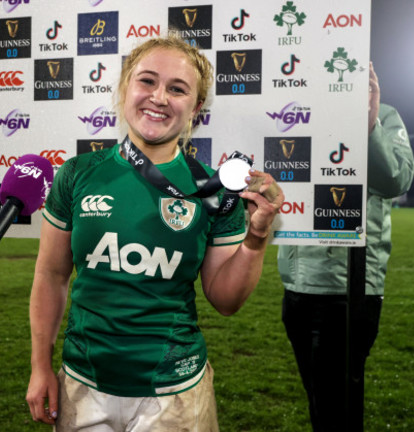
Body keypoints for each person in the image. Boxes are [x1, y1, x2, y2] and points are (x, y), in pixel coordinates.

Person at [26, 36, 284, 431]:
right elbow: (51, 275)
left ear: (196, 108)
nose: (159, 97)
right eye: (147, 81)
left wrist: (256, 237)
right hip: (82, 384)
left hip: (175, 392)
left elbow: (227, 301)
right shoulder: (77, 174)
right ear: (125, 88)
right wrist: (40, 366)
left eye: (177, 89)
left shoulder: (213, 191)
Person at [277, 62, 414, 431]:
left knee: (336, 408)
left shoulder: (386, 115)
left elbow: (396, 180)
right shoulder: (295, 116)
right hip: (295, 287)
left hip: (349, 289)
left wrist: (369, 121)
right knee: (321, 402)